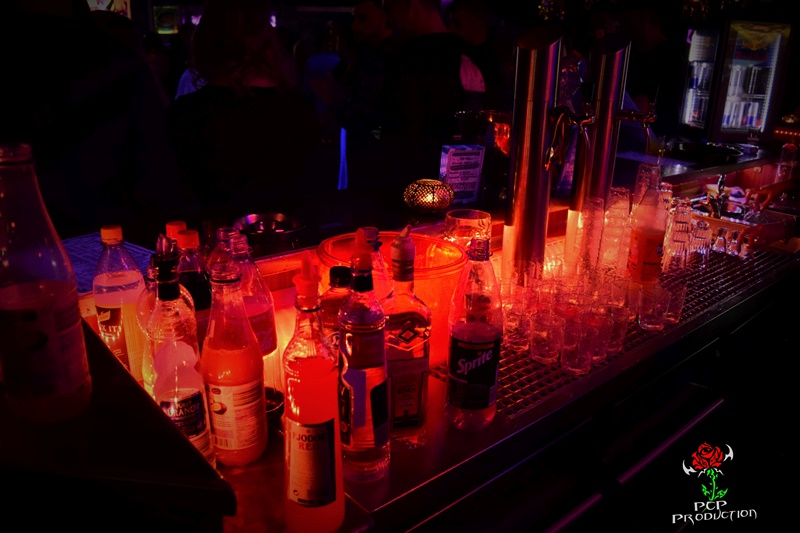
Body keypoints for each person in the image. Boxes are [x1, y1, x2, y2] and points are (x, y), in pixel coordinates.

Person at [0, 1, 185, 245]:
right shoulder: (116, 65)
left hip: (24, 238)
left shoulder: (117, 66)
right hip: (108, 236)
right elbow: (158, 179)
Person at [166, 0, 321, 230]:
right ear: (269, 43)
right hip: (291, 241)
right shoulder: (298, 108)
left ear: (207, 44)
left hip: (215, 245)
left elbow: (176, 197)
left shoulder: (188, 114)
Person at [377, 0, 488, 199]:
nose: (388, 21)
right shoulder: (478, 56)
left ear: (411, 6)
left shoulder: (405, 60)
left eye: (390, 10)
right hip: (471, 193)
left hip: (410, 196)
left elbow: (394, 140)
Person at [615, 2, 686, 139]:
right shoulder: (629, 52)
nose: (621, 20)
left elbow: (649, 108)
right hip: (627, 138)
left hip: (650, 142)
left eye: (626, 12)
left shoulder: (669, 57)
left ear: (643, 14)